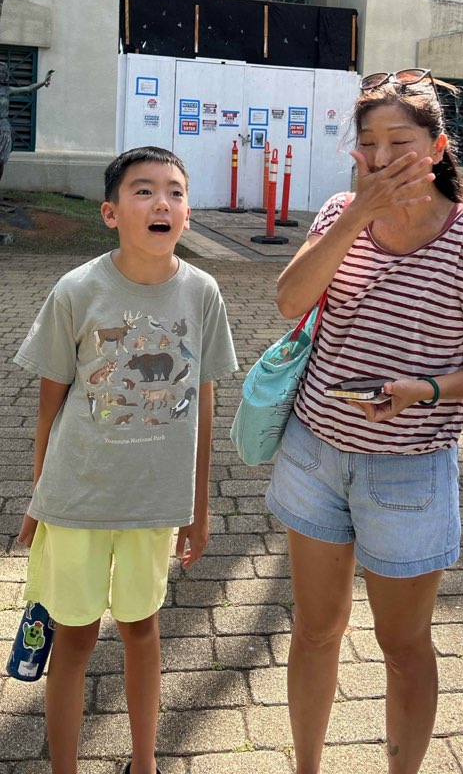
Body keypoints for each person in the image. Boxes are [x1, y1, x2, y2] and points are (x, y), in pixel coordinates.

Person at [266, 69, 463, 774]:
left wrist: (425, 388)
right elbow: (289, 301)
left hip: (408, 467)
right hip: (314, 453)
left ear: (436, 148)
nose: (380, 156)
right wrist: (351, 217)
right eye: (368, 142)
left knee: (403, 645)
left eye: (397, 142)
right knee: (315, 632)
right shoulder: (337, 214)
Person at [15, 145, 237, 774]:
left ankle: (145, 762)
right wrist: (37, 503)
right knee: (76, 638)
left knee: (142, 629)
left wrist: (199, 509)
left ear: (188, 215)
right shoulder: (77, 289)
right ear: (111, 213)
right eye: (143, 190)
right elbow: (48, 409)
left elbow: (204, 408)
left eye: (174, 190)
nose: (160, 201)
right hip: (77, 500)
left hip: (153, 505)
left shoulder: (204, 292)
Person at [0, 62, 54, 180]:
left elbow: (27, 89)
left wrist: (43, 82)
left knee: (1, 159)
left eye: (3, 72)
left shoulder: (7, 90)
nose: (2, 74)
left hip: (2, 128)